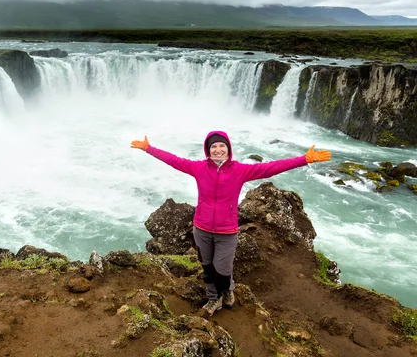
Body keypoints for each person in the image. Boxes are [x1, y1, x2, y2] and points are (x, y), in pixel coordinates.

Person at [131, 130, 331, 315]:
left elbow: (271, 168)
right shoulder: (199, 168)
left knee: (223, 269)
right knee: (208, 267)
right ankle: (214, 298)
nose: (218, 150)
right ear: (208, 151)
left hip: (227, 232)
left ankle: (226, 289)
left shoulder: (240, 171)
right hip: (201, 229)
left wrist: (305, 159)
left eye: (221, 146)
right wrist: (149, 148)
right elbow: (173, 160)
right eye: (213, 147)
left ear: (228, 149)